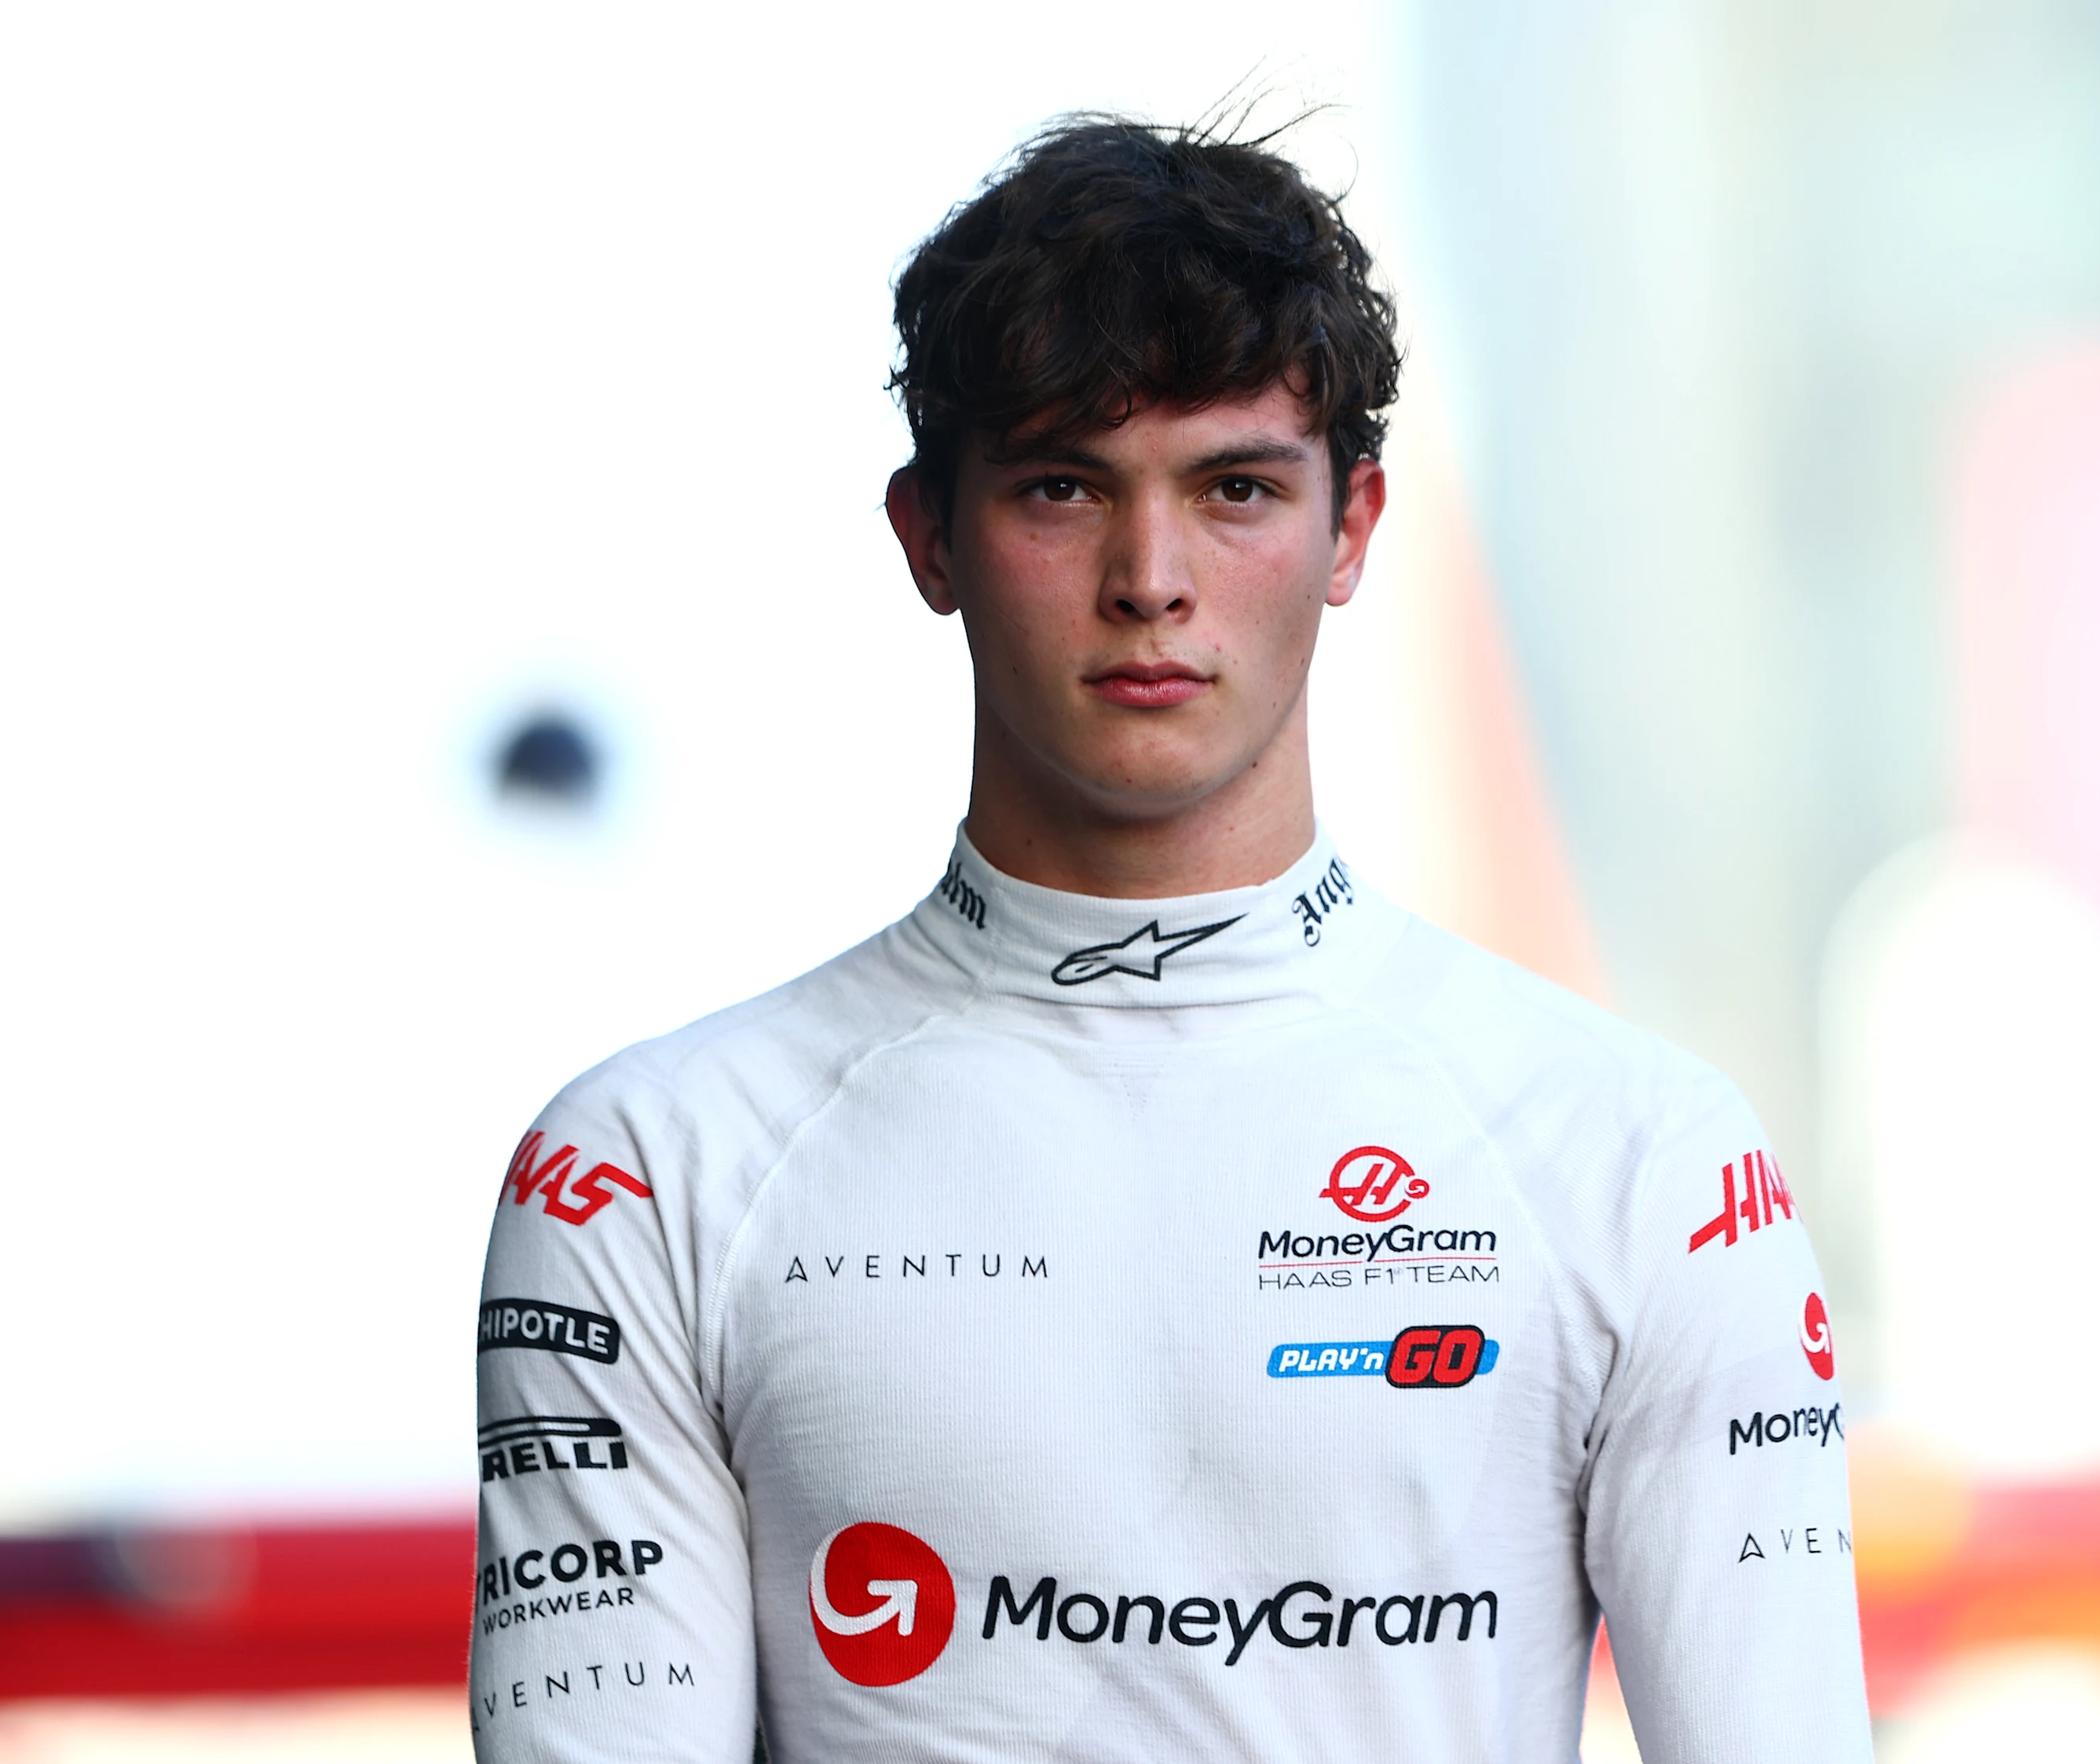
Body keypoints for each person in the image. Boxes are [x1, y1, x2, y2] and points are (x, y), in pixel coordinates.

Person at [469, 115, 1871, 1763]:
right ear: (931, 536)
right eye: (1062, 486)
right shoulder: (647, 1168)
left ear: (1350, 530)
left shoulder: (1641, 1157)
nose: (1150, 578)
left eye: (1233, 489)